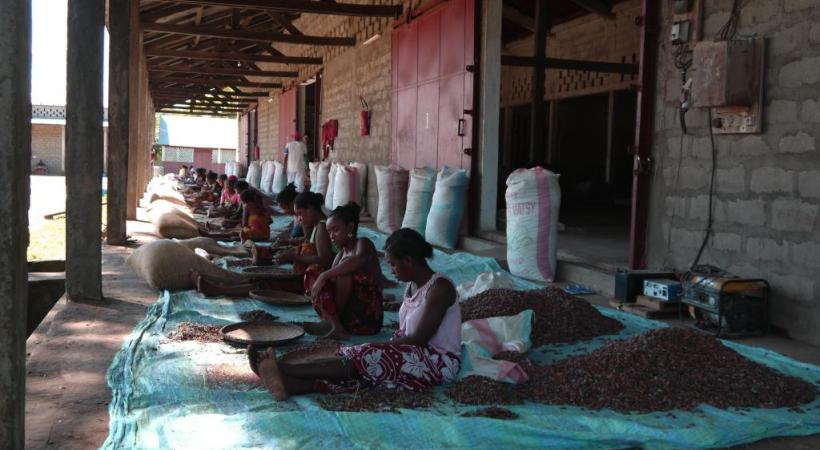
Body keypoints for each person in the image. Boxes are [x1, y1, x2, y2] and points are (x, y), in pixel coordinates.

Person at [250, 228, 462, 400]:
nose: (391, 269)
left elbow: (419, 339)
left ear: (408, 261)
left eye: (393, 264)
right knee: (363, 372)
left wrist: (378, 346)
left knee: (366, 356)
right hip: (412, 352)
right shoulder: (412, 285)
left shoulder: (440, 288)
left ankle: (284, 368)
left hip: (436, 362)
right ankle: (291, 386)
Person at [194, 191, 335, 297]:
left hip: (311, 280)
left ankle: (219, 289)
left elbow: (324, 260)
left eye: (300, 213)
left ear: (311, 209)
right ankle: (221, 285)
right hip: (305, 274)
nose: (299, 218)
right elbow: (308, 243)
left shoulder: (322, 227)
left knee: (263, 284)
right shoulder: (317, 226)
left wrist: (293, 257)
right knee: (259, 277)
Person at [301, 202, 384, 340]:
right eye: (329, 232)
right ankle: (333, 324)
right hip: (346, 315)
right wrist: (320, 279)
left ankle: (335, 325)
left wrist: (323, 276)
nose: (332, 236)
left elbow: (358, 260)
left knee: (341, 273)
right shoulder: (341, 254)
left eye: (335, 230)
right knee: (313, 271)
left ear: (350, 227)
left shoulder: (363, 244)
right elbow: (331, 283)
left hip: (366, 317)